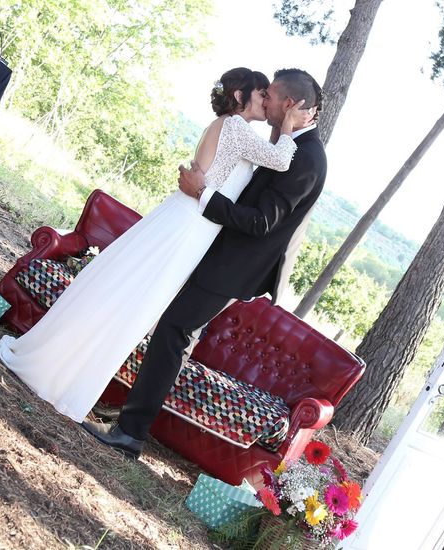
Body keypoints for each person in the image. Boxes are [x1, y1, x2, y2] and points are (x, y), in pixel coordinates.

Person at [0, 67, 315, 423]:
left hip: (190, 226)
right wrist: (287, 124)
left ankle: (71, 373)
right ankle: (64, 375)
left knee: (130, 301)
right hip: (187, 229)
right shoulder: (236, 127)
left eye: (269, 97)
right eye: (261, 95)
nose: (265, 101)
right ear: (241, 97)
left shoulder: (233, 129)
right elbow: (283, 159)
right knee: (131, 304)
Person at [80, 68, 327, 458]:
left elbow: (262, 221)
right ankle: (129, 412)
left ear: (291, 104)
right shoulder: (285, 143)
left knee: (174, 333)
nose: (265, 98)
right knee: (170, 330)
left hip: (233, 265)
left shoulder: (308, 157)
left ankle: (131, 432)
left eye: (271, 94)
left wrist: (203, 194)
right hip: (213, 249)